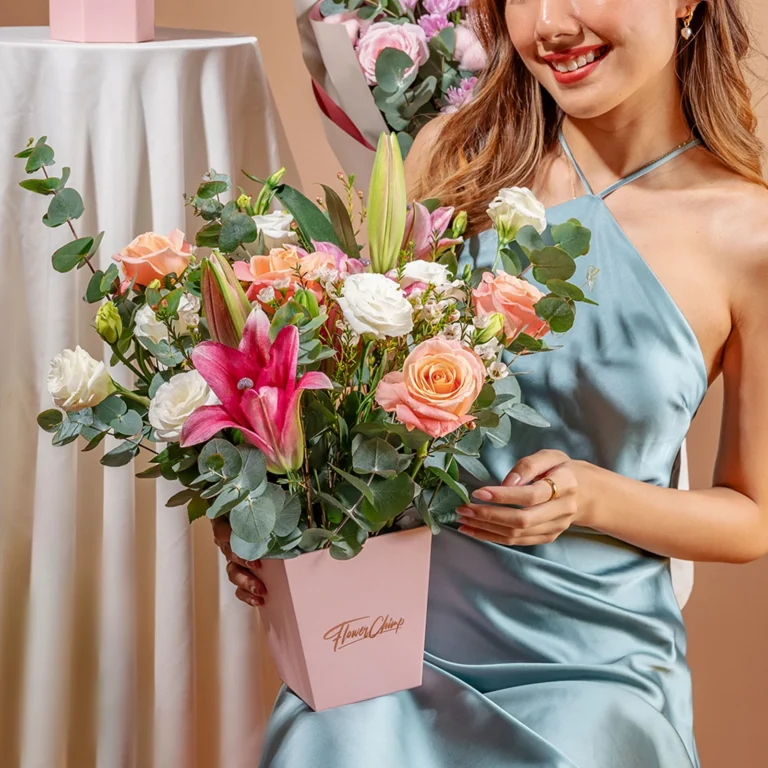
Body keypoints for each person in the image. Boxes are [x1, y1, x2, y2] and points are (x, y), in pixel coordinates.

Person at [214, 1, 768, 765]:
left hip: (595, 670)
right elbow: (356, 401)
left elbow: (752, 515)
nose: (549, 24)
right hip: (392, 641)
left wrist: (591, 497)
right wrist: (270, 515)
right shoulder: (456, 158)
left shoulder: (748, 234)